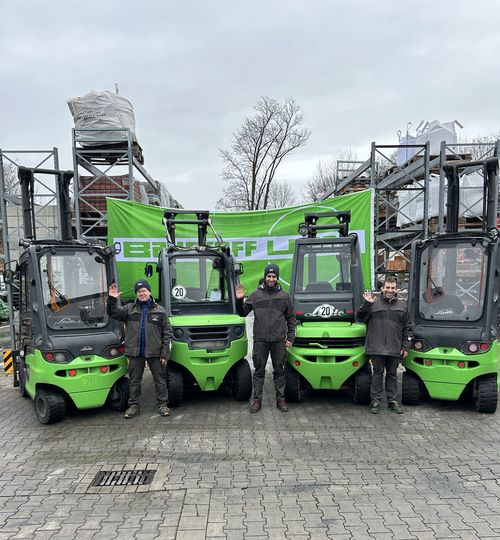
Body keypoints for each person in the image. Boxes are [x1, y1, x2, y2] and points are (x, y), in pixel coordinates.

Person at [107, 279, 174, 419]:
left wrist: (165, 354)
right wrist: (112, 300)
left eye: (144, 290)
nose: (142, 293)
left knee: (160, 380)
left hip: (155, 353)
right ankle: (134, 406)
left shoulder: (160, 311)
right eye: (139, 291)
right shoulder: (129, 309)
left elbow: (168, 334)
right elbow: (113, 313)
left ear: (149, 292)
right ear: (136, 294)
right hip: (135, 353)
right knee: (134, 381)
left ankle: (163, 405)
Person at [235, 264, 296, 413]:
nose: (271, 279)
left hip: (278, 341)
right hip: (260, 340)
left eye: (274, 276)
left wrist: (291, 337)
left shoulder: (284, 296)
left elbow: (291, 318)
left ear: (277, 278)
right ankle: (256, 400)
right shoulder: (256, 295)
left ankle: (280, 400)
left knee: (279, 371)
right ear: (265, 277)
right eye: (269, 276)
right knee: (259, 371)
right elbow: (242, 313)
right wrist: (239, 300)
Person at [356, 276, 412, 414]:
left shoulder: (403, 306)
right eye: (387, 287)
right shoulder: (373, 303)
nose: (390, 290)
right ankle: (375, 401)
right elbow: (360, 318)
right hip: (376, 347)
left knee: (392, 375)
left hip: (394, 348)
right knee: (377, 374)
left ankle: (392, 401)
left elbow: (408, 328)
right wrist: (367, 304)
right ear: (382, 288)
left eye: (393, 288)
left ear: (397, 290)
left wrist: (406, 346)